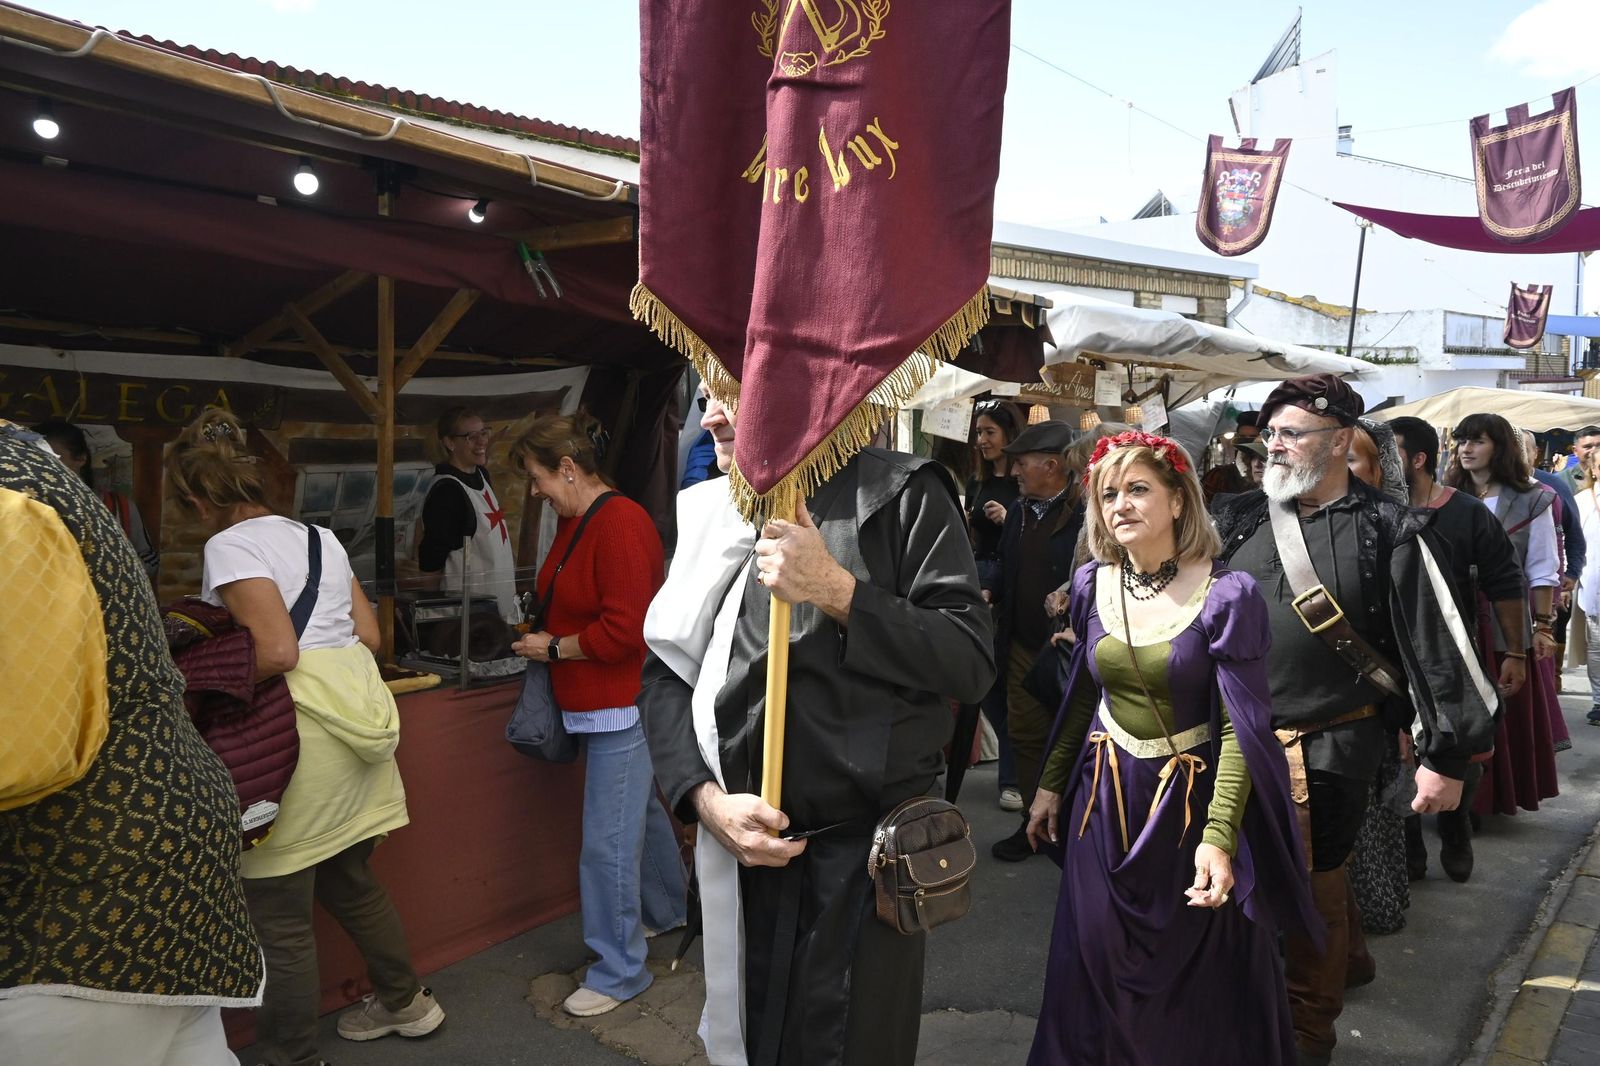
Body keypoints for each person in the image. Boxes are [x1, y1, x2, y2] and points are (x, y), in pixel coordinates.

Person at [639, 391, 994, 1066]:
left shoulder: (903, 495)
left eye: (731, 395)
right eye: (705, 397)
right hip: (739, 855)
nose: (710, 417)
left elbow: (969, 662)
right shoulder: (713, 511)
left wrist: (837, 590)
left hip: (859, 875)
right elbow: (663, 678)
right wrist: (705, 803)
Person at [1210, 374, 1496, 1066]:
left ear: (1340, 441)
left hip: (1332, 738)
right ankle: (1341, 962)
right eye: (1269, 434)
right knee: (1234, 877)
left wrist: (1447, 756)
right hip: (1230, 737)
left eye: (1291, 434)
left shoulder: (1390, 528)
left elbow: (1439, 643)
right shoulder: (1238, 515)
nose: (1273, 446)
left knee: (1309, 882)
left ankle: (1308, 1035)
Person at [1025, 430, 1318, 1066]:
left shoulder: (1228, 594)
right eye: (1108, 494)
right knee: (1094, 955)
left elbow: (1243, 727)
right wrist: (1050, 786)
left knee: (1191, 974)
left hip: (1186, 809)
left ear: (1179, 501)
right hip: (1100, 805)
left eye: (1137, 489)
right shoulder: (1088, 586)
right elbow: (1081, 696)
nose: (1120, 505)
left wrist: (1218, 835)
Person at [166, 408, 442, 1066]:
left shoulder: (228, 546)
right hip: (355, 736)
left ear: (200, 499)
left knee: (280, 916)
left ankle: (289, 1056)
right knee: (351, 878)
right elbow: (371, 639)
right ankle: (407, 1004)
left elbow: (279, 651)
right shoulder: (318, 535)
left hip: (294, 743)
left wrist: (200, 674)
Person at [0, 419, 263, 1066]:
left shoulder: (13, 499)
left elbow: (24, 747)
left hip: (80, 890)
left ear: (197, 503)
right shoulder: (41, 479)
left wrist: (203, 673)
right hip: (162, 843)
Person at [508, 412, 686, 1018]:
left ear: (566, 467)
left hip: (622, 704)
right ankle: (667, 913)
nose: (535, 491)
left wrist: (552, 647)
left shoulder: (621, 524)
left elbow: (627, 631)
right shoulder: (578, 518)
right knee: (638, 820)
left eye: (537, 478)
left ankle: (618, 971)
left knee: (607, 845)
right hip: (601, 704)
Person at [1389, 416, 1525, 883]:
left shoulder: (1467, 513)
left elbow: (1506, 583)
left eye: (1392, 453)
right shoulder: (1368, 513)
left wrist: (1516, 652)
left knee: (1458, 747)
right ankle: (1409, 846)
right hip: (1389, 658)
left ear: (1418, 459)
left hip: (1454, 658)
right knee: (1398, 749)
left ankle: (1455, 827)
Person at [1445, 415, 1563, 817]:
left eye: (1476, 440)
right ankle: (1454, 805)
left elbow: (1543, 566)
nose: (1465, 448)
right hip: (1453, 619)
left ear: (1500, 446)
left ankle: (1488, 801)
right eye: (1461, 440)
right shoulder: (1443, 496)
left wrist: (1543, 627)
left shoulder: (1533, 498)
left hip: (1504, 623)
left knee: (1501, 714)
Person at [987, 420, 1083, 862]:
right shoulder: (1020, 508)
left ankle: (1075, 827)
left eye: (1022, 463)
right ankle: (1034, 824)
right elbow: (1005, 565)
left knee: (1073, 740)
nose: (1016, 472)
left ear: (1052, 464)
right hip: (1023, 645)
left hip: (1070, 648)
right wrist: (988, 587)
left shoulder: (1087, 510)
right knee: (1025, 736)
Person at [966, 398, 1024, 812]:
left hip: (1006, 582)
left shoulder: (1020, 483)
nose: (982, 440)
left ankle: (1012, 777)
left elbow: (1025, 537)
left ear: (1008, 436)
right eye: (979, 432)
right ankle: (1013, 762)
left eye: (989, 432)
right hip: (975, 578)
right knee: (981, 680)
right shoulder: (977, 479)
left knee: (1002, 681)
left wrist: (1009, 518)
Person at [417, 406, 520, 623]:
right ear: (450, 443)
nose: (482, 441)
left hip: (498, 609)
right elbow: (431, 561)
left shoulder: (481, 475)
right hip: (468, 620)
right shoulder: (447, 492)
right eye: (471, 436)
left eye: (484, 433)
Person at [33, 420, 160, 581]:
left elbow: (150, 558)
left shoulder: (118, 507)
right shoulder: (27, 506)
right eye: (36, 460)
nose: (42, 467)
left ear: (80, 458)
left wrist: (113, 571)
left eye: (51, 458)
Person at [1524, 430, 1586, 699]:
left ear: (1533, 453)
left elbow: (1573, 534)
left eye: (1522, 448)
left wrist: (1570, 574)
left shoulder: (1550, 486)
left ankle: (1553, 683)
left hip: (1545, 584)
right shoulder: (1481, 486)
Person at [1572, 442, 1600, 726]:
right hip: (1593, 586)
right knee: (1597, 646)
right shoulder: (1582, 501)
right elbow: (1573, 545)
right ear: (1593, 469)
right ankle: (1599, 701)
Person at [1201, 411, 1260, 500]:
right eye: (1242, 437)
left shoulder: (1272, 476)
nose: (1247, 442)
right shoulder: (1219, 477)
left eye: (1253, 437)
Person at [1563, 425, 1600, 494]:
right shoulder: (1562, 479)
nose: (1594, 450)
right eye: (1588, 446)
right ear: (1575, 451)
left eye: (1599, 445)